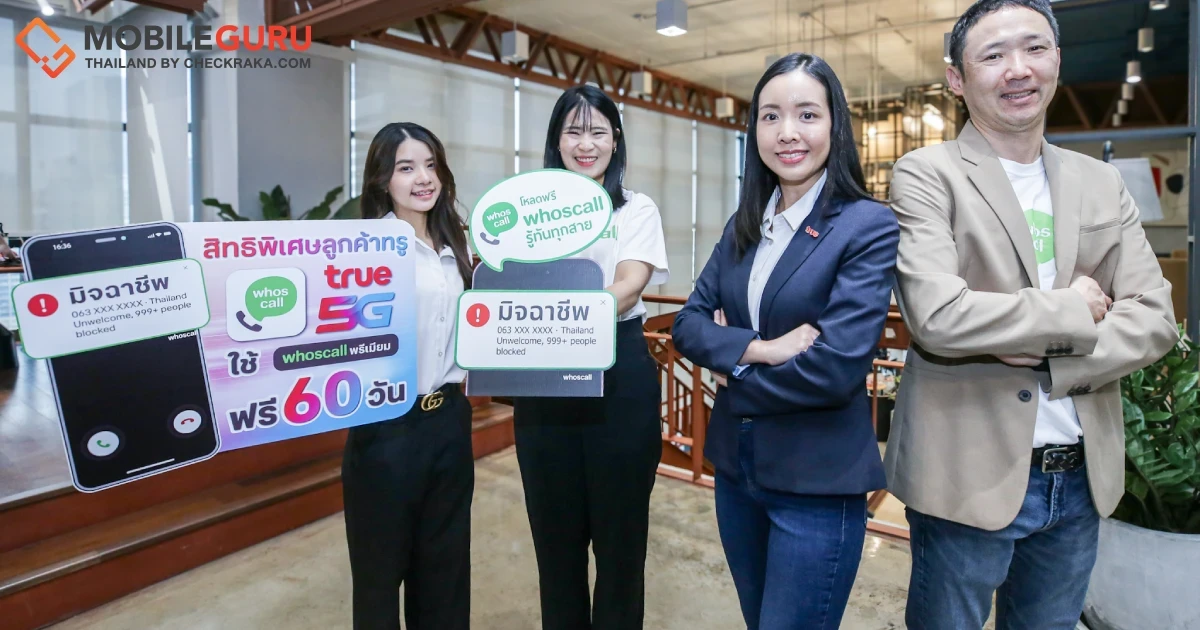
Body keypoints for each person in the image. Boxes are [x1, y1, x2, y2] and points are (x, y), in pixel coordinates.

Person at [884, 1, 1178, 628]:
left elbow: (1154, 317)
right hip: (964, 475)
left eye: (1034, 48)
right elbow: (939, 316)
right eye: (993, 55)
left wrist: (1046, 356)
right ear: (957, 78)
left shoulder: (1101, 183)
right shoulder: (927, 175)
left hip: (1080, 477)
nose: (1018, 69)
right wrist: (1074, 309)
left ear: (1057, 61)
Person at [671, 53, 899, 629]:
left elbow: (835, 369)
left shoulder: (866, 225)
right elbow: (687, 325)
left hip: (816, 484)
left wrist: (731, 365)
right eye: (770, 116)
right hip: (736, 474)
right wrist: (762, 350)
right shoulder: (745, 224)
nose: (787, 132)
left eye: (807, 114)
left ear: (835, 125)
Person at [514, 84, 669, 630]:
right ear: (556, 141)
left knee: (620, 547)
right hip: (542, 380)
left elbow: (629, 284)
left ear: (615, 140)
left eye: (598, 132)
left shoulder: (635, 208)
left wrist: (565, 313)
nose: (586, 144)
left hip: (617, 373)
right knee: (554, 546)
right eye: (574, 131)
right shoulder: (526, 212)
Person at [341, 122, 475, 630]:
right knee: (379, 579)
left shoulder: (456, 243)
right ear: (382, 179)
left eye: (430, 165)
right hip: (385, 429)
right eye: (406, 167)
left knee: (445, 574)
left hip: (449, 421)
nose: (423, 178)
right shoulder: (364, 249)